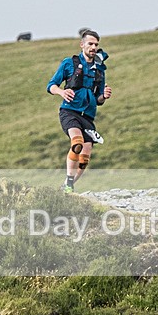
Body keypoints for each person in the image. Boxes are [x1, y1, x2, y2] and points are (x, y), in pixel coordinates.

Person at [46, 29, 112, 193]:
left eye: (96, 45)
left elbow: (98, 99)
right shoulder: (69, 63)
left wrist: (104, 96)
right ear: (82, 45)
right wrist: (62, 92)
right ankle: (68, 179)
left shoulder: (100, 70)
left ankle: (68, 185)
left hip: (88, 117)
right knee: (77, 143)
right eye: (90, 44)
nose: (93, 47)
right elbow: (51, 85)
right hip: (70, 112)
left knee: (85, 157)